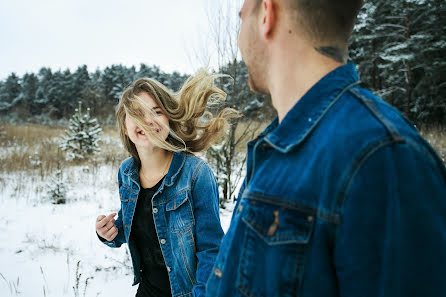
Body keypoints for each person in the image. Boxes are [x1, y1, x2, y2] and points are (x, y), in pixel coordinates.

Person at [206, 1, 446, 297]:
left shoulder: (383, 157)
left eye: (244, 6)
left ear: (267, 13)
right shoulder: (276, 145)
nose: (240, 14)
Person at [95, 69, 238, 297]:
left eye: (156, 112)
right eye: (136, 113)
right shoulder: (127, 172)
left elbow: (212, 251)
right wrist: (108, 233)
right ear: (124, 125)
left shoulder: (195, 174)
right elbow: (130, 225)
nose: (147, 120)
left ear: (169, 119)